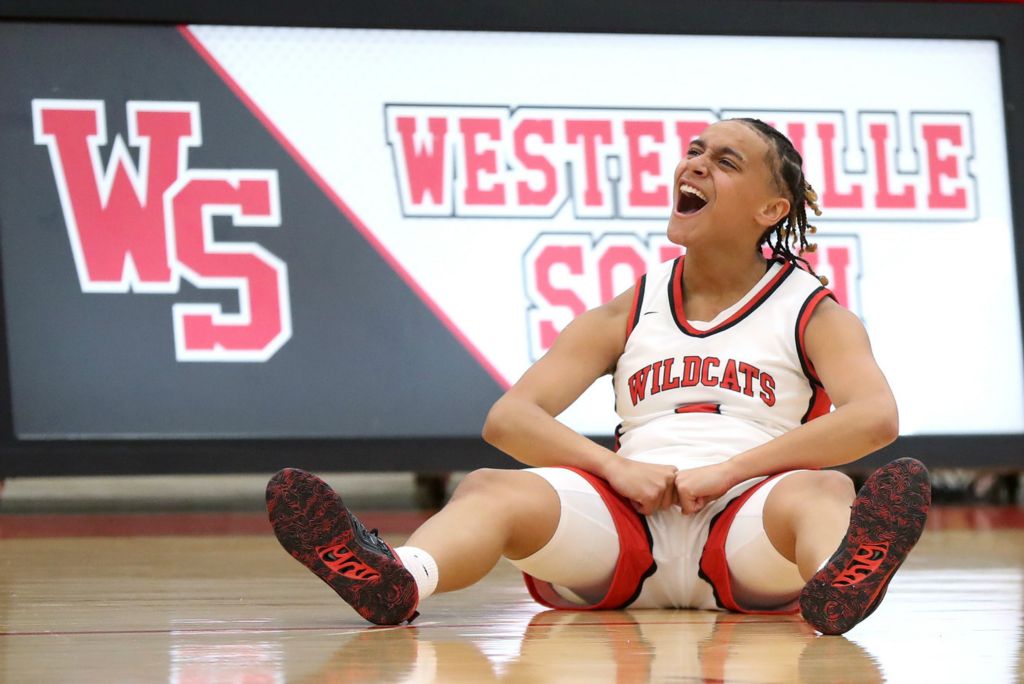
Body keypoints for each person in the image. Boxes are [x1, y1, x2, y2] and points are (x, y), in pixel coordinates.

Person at [266, 118, 931, 636]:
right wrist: (611, 470)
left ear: (771, 210)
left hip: (747, 521)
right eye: (695, 151)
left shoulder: (813, 309)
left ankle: (838, 582)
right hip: (626, 527)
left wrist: (731, 472)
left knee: (823, 491)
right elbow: (510, 418)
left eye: (726, 161)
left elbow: (875, 417)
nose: (696, 162)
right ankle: (397, 577)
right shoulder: (630, 306)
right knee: (491, 487)